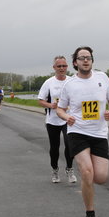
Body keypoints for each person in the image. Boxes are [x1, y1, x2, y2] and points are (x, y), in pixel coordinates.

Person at [57, 46, 109, 217]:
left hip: (99, 132)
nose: (85, 60)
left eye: (88, 57)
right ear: (75, 63)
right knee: (87, 171)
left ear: (92, 61)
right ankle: (89, 213)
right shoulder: (70, 84)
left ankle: (88, 177)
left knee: (100, 177)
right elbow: (60, 109)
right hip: (78, 131)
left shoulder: (102, 77)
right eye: (82, 58)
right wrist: (67, 117)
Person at [38, 55, 77, 184]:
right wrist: (51, 105)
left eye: (64, 66)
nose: (61, 68)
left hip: (68, 119)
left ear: (67, 67)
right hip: (53, 120)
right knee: (54, 147)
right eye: (59, 66)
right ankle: (55, 170)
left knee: (70, 144)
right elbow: (40, 100)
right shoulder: (49, 82)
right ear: (54, 67)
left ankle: (69, 169)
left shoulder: (72, 81)